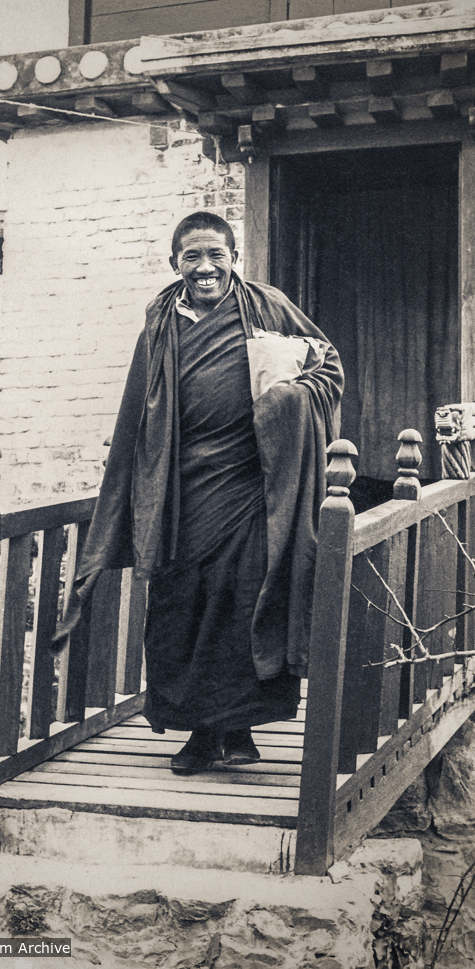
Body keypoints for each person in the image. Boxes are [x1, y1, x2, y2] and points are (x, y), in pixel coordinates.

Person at [62, 212, 344, 775]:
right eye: (192, 256)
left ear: (234, 258)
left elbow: (328, 367)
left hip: (251, 488)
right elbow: (138, 411)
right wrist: (130, 484)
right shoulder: (160, 325)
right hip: (179, 494)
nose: (205, 267)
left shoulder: (268, 306)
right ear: (175, 264)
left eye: (216, 254)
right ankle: (197, 732)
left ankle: (232, 730)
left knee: (242, 608)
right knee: (179, 612)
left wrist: (291, 398)